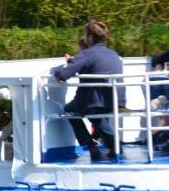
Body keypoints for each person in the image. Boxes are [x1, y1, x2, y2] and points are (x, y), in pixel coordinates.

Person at [52, 20, 125, 162]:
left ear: (90, 37)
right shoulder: (113, 54)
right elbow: (95, 66)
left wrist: (58, 71)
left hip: (94, 101)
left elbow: (64, 74)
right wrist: (75, 63)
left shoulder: (87, 54)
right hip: (117, 100)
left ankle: (92, 145)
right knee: (95, 113)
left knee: (70, 110)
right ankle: (113, 145)